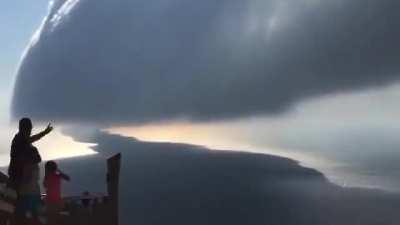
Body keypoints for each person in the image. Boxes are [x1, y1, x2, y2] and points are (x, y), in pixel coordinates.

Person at [8, 118, 53, 224]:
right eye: (29, 128)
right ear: (25, 128)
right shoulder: (20, 140)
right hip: (19, 180)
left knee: (23, 209)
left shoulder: (20, 139)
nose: (30, 130)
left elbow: (31, 140)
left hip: (19, 179)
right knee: (22, 209)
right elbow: (27, 159)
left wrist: (44, 133)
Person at [43, 161, 70, 225]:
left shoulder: (47, 177)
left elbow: (45, 185)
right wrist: (59, 171)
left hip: (50, 202)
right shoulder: (57, 175)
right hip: (57, 201)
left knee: (51, 220)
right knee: (56, 219)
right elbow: (68, 178)